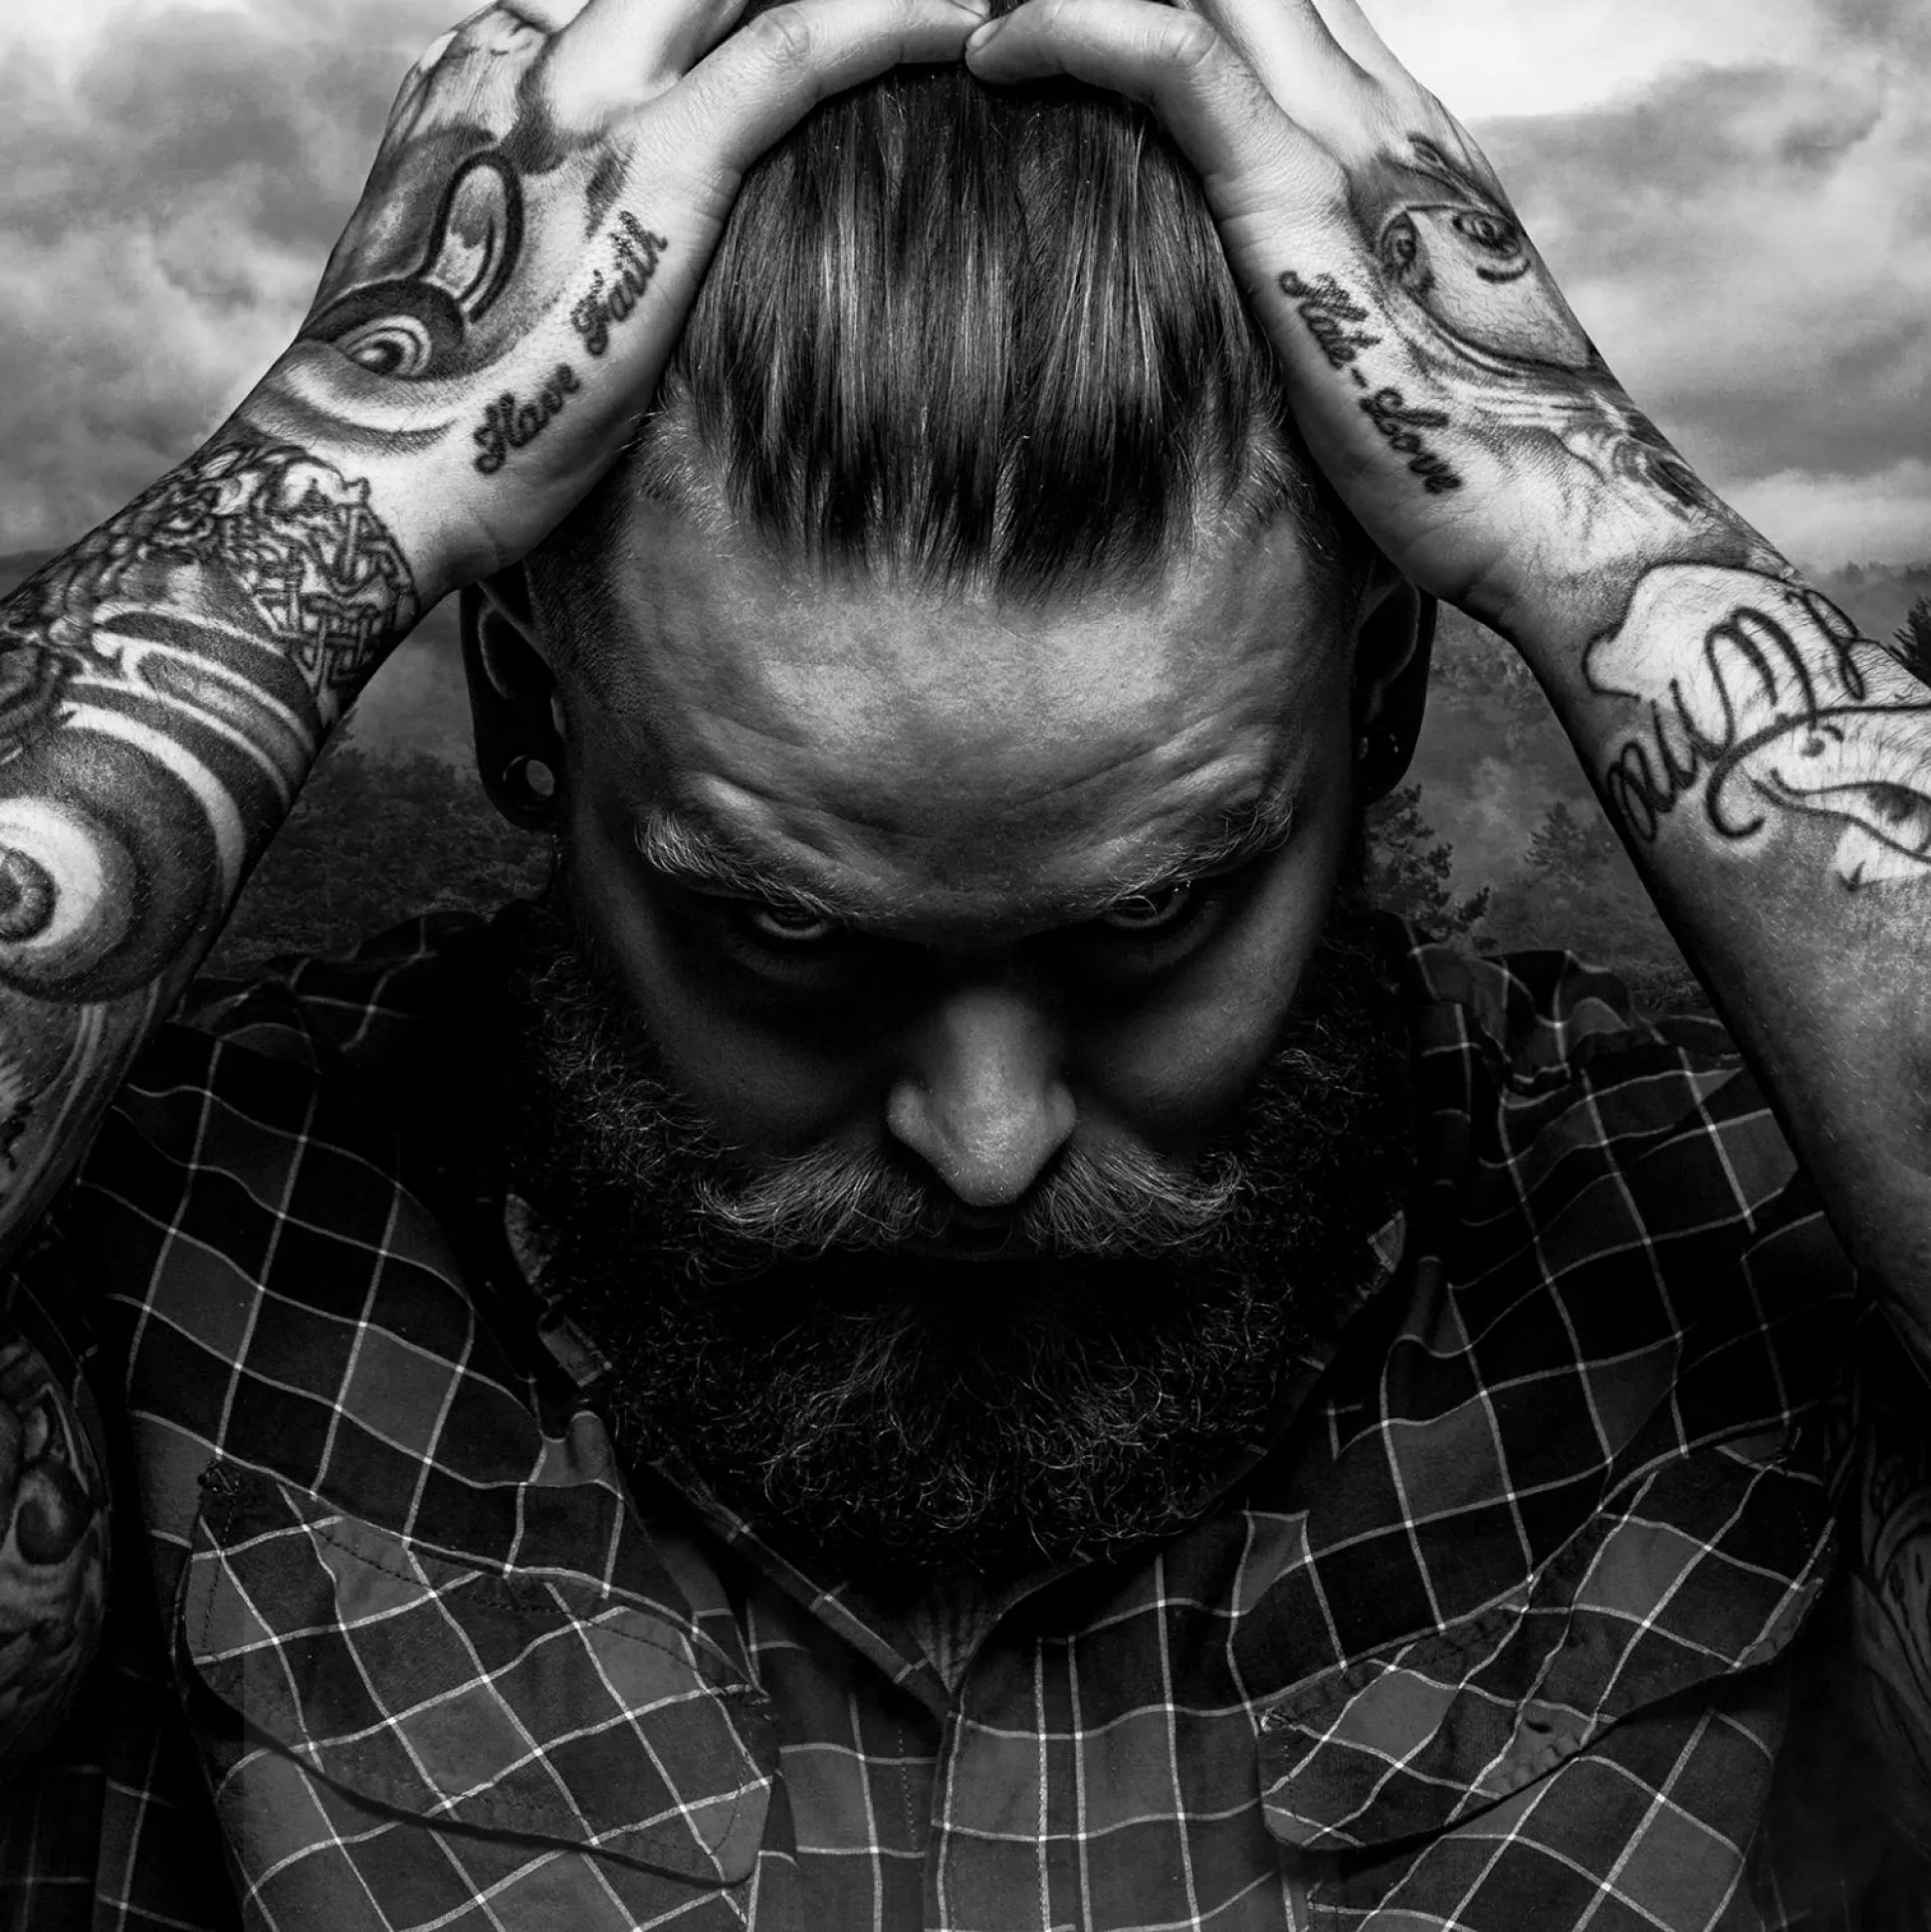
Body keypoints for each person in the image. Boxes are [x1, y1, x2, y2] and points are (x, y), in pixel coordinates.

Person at [0, 0, 1926, 1923]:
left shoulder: (1747, 1243)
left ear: (1381, 705)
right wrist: (339, 465)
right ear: (524, 707)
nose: (988, 1144)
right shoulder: (172, 1252)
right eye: (785, 927)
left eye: (1152, 916)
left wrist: (1581, 508)